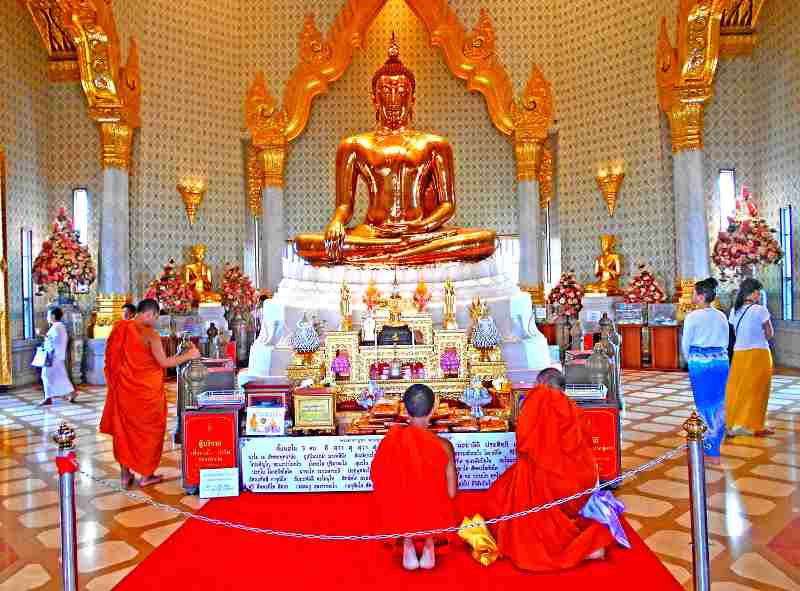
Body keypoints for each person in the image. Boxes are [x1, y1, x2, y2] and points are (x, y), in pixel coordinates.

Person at [486, 368, 614, 571]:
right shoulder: (574, 409)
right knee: (515, 480)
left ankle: (566, 547)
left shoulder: (541, 397)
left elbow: (524, 441)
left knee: (502, 493)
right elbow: (584, 447)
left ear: (542, 384)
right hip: (578, 484)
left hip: (546, 477)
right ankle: (581, 542)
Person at [100, 298, 200, 488]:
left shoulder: (120, 328)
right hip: (146, 394)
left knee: (124, 433)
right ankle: (146, 475)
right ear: (150, 314)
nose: (155, 321)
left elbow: (111, 361)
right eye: (155, 317)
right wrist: (189, 355)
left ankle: (125, 475)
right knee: (149, 433)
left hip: (123, 392)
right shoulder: (150, 334)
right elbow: (164, 362)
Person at [370, 384, 457, 571]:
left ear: (404, 410)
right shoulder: (444, 446)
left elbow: (380, 483)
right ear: (433, 409)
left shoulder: (390, 442)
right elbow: (451, 492)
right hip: (432, 511)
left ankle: (408, 543)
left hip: (402, 509)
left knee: (402, 490)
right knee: (432, 494)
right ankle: (428, 543)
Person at [681, 278, 729, 464]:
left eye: (693, 293)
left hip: (700, 364)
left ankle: (710, 448)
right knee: (718, 403)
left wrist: (690, 360)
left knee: (703, 404)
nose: (692, 296)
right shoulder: (721, 315)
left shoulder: (692, 317)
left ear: (700, 296)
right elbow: (726, 341)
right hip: (721, 362)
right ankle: (714, 444)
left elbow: (686, 344)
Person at [726, 278, 774, 437]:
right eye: (758, 292)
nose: (759, 295)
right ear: (752, 293)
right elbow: (770, 334)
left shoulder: (734, 310)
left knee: (737, 389)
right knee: (759, 390)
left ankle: (731, 424)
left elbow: (735, 333)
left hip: (739, 353)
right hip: (759, 353)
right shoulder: (760, 310)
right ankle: (756, 425)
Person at [39, 307, 76, 406]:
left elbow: (53, 342)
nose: (47, 317)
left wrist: (43, 336)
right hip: (57, 356)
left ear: (53, 316)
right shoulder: (59, 326)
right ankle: (70, 393)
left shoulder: (57, 327)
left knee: (46, 375)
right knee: (59, 376)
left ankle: (49, 398)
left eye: (48, 315)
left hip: (53, 356)